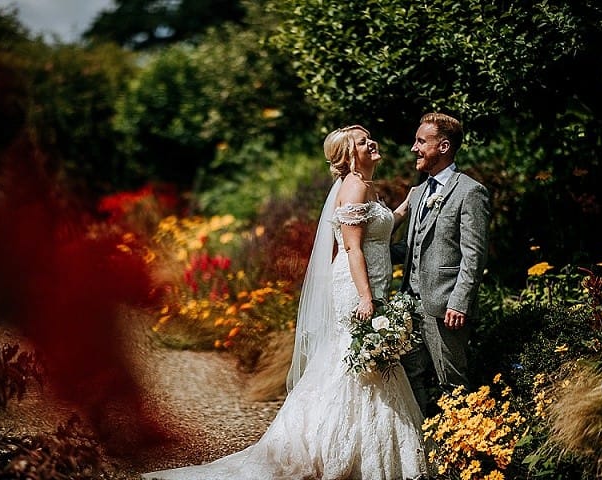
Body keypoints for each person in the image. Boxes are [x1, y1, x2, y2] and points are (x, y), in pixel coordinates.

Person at [141, 125, 428, 480]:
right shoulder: (354, 187)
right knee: (354, 361)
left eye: (369, 137)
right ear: (349, 154)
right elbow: (352, 247)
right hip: (358, 285)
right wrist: (367, 298)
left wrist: (404, 207)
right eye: (361, 141)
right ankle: (338, 450)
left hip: (374, 281)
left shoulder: (366, 186)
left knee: (361, 360)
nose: (371, 142)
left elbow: (377, 233)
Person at [399, 112, 491, 416]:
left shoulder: (470, 192)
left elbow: (474, 255)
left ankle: (465, 452)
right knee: (412, 381)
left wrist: (459, 302)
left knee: (453, 384)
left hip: (445, 308)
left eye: (421, 141)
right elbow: (410, 249)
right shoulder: (418, 192)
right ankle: (427, 449)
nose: (414, 148)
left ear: (443, 146)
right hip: (408, 306)